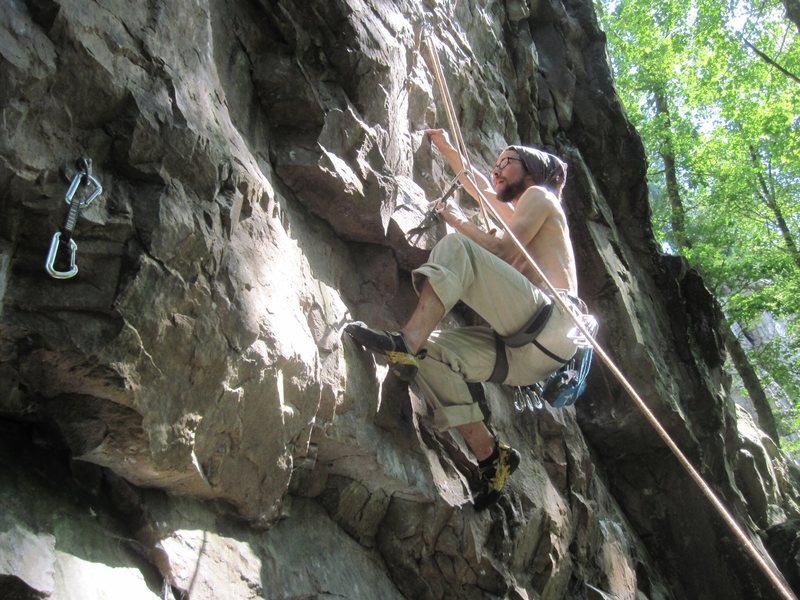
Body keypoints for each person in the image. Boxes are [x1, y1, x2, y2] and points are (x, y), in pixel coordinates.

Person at [345, 129, 580, 509]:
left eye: (507, 162)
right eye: (496, 163)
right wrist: (448, 149)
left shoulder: (540, 196)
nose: (497, 168)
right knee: (431, 356)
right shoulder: (528, 209)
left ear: (532, 170)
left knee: (459, 248)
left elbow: (503, 250)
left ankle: (405, 343)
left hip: (551, 324)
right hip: (528, 355)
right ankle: (491, 458)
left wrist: (455, 220)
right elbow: (481, 190)